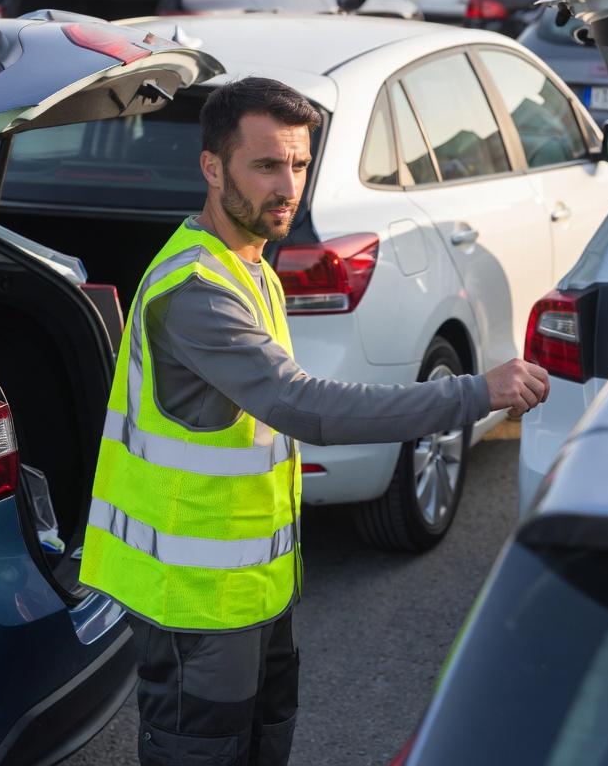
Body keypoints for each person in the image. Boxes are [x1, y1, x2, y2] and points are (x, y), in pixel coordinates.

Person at [80, 76, 550, 766]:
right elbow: (305, 407)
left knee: (265, 743)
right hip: (193, 601)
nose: (288, 186)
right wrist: (474, 394)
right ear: (212, 167)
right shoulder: (197, 291)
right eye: (266, 165)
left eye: (299, 164)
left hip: (254, 590)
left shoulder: (248, 266)